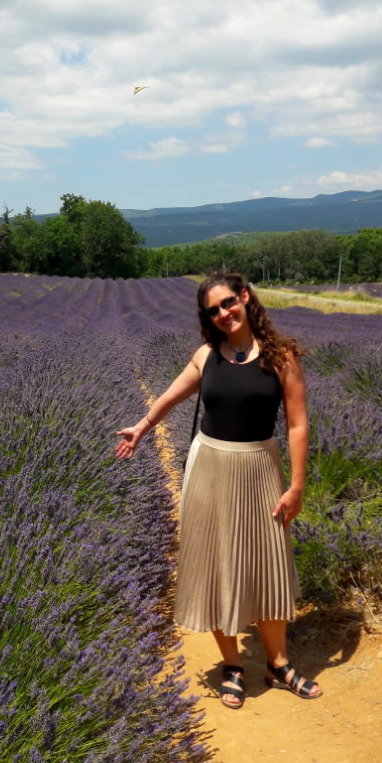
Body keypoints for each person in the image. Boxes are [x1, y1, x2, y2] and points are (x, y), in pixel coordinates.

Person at [115, 272, 322, 709]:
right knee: (216, 564)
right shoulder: (207, 355)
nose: (224, 313)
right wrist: (141, 427)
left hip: (260, 468)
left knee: (268, 562)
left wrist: (297, 486)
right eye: (213, 310)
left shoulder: (281, 357)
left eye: (228, 302)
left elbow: (298, 424)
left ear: (244, 297)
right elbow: (170, 396)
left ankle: (278, 663)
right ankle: (231, 664)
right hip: (209, 466)